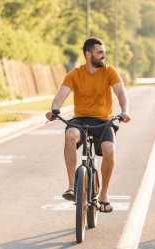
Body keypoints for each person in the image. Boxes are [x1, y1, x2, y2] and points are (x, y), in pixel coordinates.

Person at [45, 37, 131, 213]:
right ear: (88, 54)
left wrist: (125, 110)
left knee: (109, 150)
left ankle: (104, 195)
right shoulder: (75, 74)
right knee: (70, 136)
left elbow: (121, 92)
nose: (103, 56)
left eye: (104, 53)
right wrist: (54, 109)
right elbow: (61, 95)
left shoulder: (109, 72)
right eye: (100, 53)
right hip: (81, 119)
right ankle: (71, 186)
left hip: (104, 121)